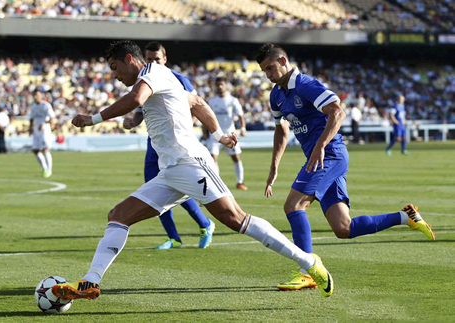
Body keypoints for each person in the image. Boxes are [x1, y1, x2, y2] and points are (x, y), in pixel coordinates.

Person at [51, 40, 334, 301]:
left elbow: (137, 99)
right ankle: (90, 281)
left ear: (129, 59)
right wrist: (219, 134)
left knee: (236, 219)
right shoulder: (159, 80)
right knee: (118, 216)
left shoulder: (155, 73)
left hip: (190, 163)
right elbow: (196, 103)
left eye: (115, 68)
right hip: (171, 171)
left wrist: (93, 118)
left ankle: (310, 262)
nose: (114, 75)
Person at [257, 43, 435, 292]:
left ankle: (307, 271)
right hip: (322, 155)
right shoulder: (276, 95)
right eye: (264, 70)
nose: (268, 74)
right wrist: (274, 167)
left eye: (271, 68)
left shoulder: (306, 84)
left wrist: (320, 146)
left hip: (329, 154)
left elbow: (337, 112)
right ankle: (406, 217)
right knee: (343, 228)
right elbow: (281, 130)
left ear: (284, 61)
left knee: (293, 205)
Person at [123, 41, 215, 250]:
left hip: (176, 146)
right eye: (149, 59)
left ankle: (205, 224)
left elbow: (195, 105)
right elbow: (140, 111)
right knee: (155, 191)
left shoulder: (178, 79)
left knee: (178, 186)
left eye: (157, 59)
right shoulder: (143, 81)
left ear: (164, 59)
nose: (153, 63)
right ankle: (174, 237)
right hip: (154, 145)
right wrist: (132, 121)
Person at [207, 77, 248, 190]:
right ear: (215, 86)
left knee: (235, 158)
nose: (220, 86)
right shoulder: (212, 101)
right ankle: (216, 183)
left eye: (222, 84)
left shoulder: (232, 100)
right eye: (218, 84)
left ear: (226, 86)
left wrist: (243, 128)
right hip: (215, 134)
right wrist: (205, 131)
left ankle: (240, 182)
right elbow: (206, 117)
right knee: (212, 158)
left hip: (229, 134)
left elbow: (240, 115)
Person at [29, 89, 55, 178]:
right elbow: (31, 118)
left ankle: (49, 170)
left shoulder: (46, 105)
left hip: (45, 130)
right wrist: (30, 129)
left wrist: (46, 125)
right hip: (36, 130)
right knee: (35, 150)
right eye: (34, 95)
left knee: (45, 149)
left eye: (37, 95)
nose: (36, 97)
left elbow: (52, 118)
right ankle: (44, 168)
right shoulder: (33, 106)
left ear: (41, 95)